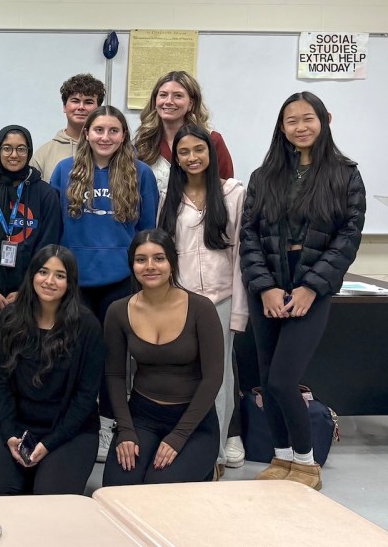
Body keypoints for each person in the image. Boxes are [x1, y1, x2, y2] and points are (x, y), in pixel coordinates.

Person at [240, 92, 365, 490]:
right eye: (291, 120)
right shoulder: (265, 176)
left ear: (324, 120)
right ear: (282, 127)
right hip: (270, 284)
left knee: (283, 378)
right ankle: (281, 457)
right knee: (265, 376)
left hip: (312, 282)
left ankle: (307, 462)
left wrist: (312, 287)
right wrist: (265, 288)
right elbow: (249, 236)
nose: (300, 127)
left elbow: (348, 237)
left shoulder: (345, 174)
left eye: (307, 118)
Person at [49, 105, 157, 461]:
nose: (105, 137)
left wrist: (144, 277)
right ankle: (75, 422)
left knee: (113, 357)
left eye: (113, 130)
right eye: (98, 130)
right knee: (74, 352)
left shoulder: (140, 174)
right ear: (86, 134)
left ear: (123, 135)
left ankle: (110, 425)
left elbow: (148, 234)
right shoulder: (65, 171)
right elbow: (54, 227)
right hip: (74, 279)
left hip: (120, 279)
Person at [157, 124, 248, 473]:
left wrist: (238, 314)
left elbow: (240, 256)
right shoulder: (169, 199)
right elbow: (162, 256)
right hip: (180, 302)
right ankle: (183, 445)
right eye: (183, 152)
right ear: (176, 159)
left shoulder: (233, 194)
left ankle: (215, 455)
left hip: (220, 301)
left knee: (219, 378)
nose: (192, 158)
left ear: (211, 155)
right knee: (183, 377)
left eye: (199, 150)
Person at [0, 246, 104, 496]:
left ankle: (43, 472)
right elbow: (2, 383)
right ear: (32, 275)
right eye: (43, 272)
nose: (49, 281)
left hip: (70, 432)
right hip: (22, 426)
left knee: (50, 498)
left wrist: (49, 444)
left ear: (70, 282)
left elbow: (86, 398)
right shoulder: (11, 318)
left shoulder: (88, 326)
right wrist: (12, 434)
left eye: (60, 275)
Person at [102, 229, 225, 486]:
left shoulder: (201, 309)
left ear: (172, 262)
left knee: (159, 489)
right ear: (132, 265)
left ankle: (205, 468)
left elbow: (213, 378)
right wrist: (125, 430)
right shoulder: (118, 311)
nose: (150, 266)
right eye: (141, 259)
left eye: (159, 258)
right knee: (118, 489)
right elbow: (114, 375)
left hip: (192, 422)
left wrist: (179, 436)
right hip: (142, 417)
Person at [0, 125, 62, 313]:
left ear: (29, 151)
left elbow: (48, 247)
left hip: (33, 294)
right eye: (7, 148)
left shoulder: (45, 194)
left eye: (21, 148)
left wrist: (27, 289)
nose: (13, 154)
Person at [134, 71, 235, 192]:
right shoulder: (144, 141)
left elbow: (226, 189)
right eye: (163, 95)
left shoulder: (212, 140)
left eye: (178, 96)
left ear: (191, 104)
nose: (169, 101)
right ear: (155, 101)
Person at [32, 73, 105, 182]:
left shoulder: (108, 148)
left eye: (88, 102)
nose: (81, 107)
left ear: (98, 109)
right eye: (75, 101)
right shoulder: (44, 154)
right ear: (64, 107)